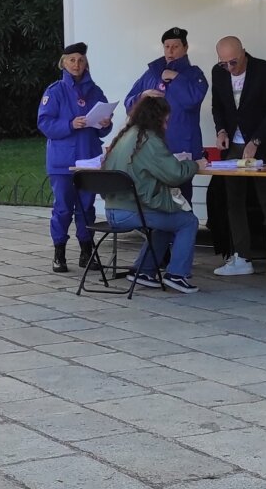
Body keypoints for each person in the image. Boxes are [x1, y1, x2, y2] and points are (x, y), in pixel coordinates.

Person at [100, 94, 207, 294]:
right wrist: (195, 164)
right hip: (132, 210)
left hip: (113, 209)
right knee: (187, 221)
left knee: (166, 223)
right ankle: (177, 274)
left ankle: (144, 270)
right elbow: (174, 174)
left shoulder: (125, 136)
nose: (166, 127)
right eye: (165, 121)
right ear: (156, 119)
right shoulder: (148, 140)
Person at [209, 35, 266, 280]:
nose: (230, 68)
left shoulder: (264, 70)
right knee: (234, 201)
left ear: (244, 53)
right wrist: (221, 130)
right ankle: (241, 257)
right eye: (225, 64)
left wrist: (256, 141)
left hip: (260, 145)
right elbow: (217, 106)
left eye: (234, 62)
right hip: (233, 144)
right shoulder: (219, 72)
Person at [38, 42, 107, 273]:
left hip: (89, 158)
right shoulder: (55, 91)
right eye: (72, 60)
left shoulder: (95, 91)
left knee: (87, 208)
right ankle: (59, 253)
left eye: (80, 60)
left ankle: (87, 252)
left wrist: (106, 123)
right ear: (63, 63)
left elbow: (103, 128)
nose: (76, 64)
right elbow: (45, 123)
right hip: (63, 161)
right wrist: (70, 124)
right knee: (63, 208)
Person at [124, 27, 209, 202]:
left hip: (182, 147)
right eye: (166, 46)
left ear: (185, 48)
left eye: (175, 46)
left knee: (182, 200)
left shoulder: (194, 74)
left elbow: (192, 101)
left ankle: (182, 228)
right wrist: (142, 96)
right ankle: (158, 229)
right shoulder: (151, 74)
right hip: (153, 147)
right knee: (155, 197)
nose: (170, 51)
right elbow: (128, 103)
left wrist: (176, 78)